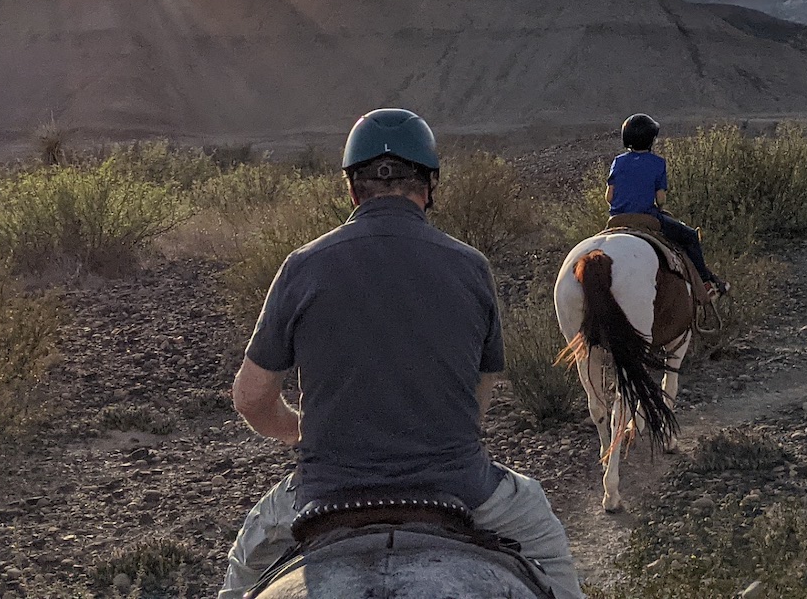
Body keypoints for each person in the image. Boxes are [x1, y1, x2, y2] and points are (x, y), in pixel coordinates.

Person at [219, 108, 583, 599]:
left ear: (352, 188)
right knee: (549, 547)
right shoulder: (470, 267)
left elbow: (250, 397)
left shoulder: (302, 266)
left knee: (243, 570)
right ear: (429, 186)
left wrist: (308, 430)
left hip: (323, 490)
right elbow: (478, 398)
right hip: (462, 486)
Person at [607, 113, 731, 296]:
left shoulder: (618, 162)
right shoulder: (657, 163)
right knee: (689, 237)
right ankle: (705, 284)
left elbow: (609, 197)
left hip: (616, 219)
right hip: (647, 217)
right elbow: (661, 199)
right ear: (650, 140)